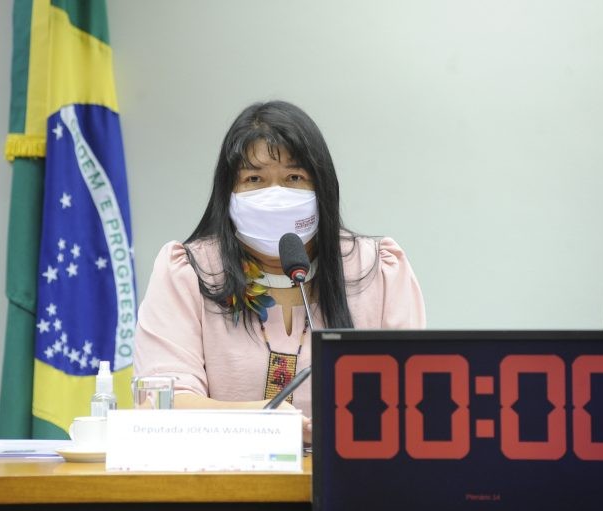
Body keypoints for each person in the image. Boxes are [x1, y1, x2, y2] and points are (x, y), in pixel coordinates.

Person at [133, 100, 425, 442]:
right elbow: (161, 405)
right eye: (254, 178)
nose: (275, 194)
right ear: (229, 192)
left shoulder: (378, 270)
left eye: (294, 178)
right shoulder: (189, 272)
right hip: (219, 487)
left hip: (356, 485)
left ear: (322, 188)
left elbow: (412, 401)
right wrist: (265, 421)